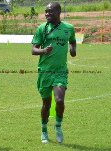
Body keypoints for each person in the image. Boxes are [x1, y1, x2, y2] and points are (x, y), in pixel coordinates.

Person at [31, 2, 76, 143]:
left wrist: (73, 48)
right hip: (44, 71)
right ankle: (44, 130)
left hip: (60, 71)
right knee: (46, 104)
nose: (47, 14)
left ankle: (58, 125)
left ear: (58, 12)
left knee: (60, 100)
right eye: (45, 12)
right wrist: (43, 50)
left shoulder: (69, 28)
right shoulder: (41, 29)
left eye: (50, 11)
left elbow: (73, 41)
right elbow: (33, 50)